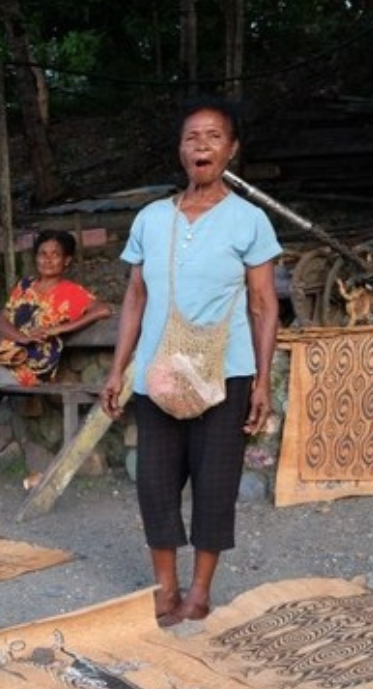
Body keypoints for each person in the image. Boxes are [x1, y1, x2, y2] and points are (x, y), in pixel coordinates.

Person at [100, 97, 281, 626]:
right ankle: (165, 588)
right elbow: (135, 296)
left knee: (215, 482)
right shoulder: (152, 218)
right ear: (180, 151)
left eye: (213, 136)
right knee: (154, 482)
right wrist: (118, 369)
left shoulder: (249, 221)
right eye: (191, 137)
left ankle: (199, 592)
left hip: (226, 373)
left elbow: (264, 303)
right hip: (158, 374)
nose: (201, 145)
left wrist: (264, 379)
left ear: (232, 149)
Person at [0, 230, 111, 494]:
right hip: (7, 358)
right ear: (35, 258)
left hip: (35, 366)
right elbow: (1, 320)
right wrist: (20, 337)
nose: (48, 260)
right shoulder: (24, 286)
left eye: (56, 255)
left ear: (67, 261)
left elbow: (104, 309)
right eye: (43, 254)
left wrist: (60, 330)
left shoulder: (71, 292)